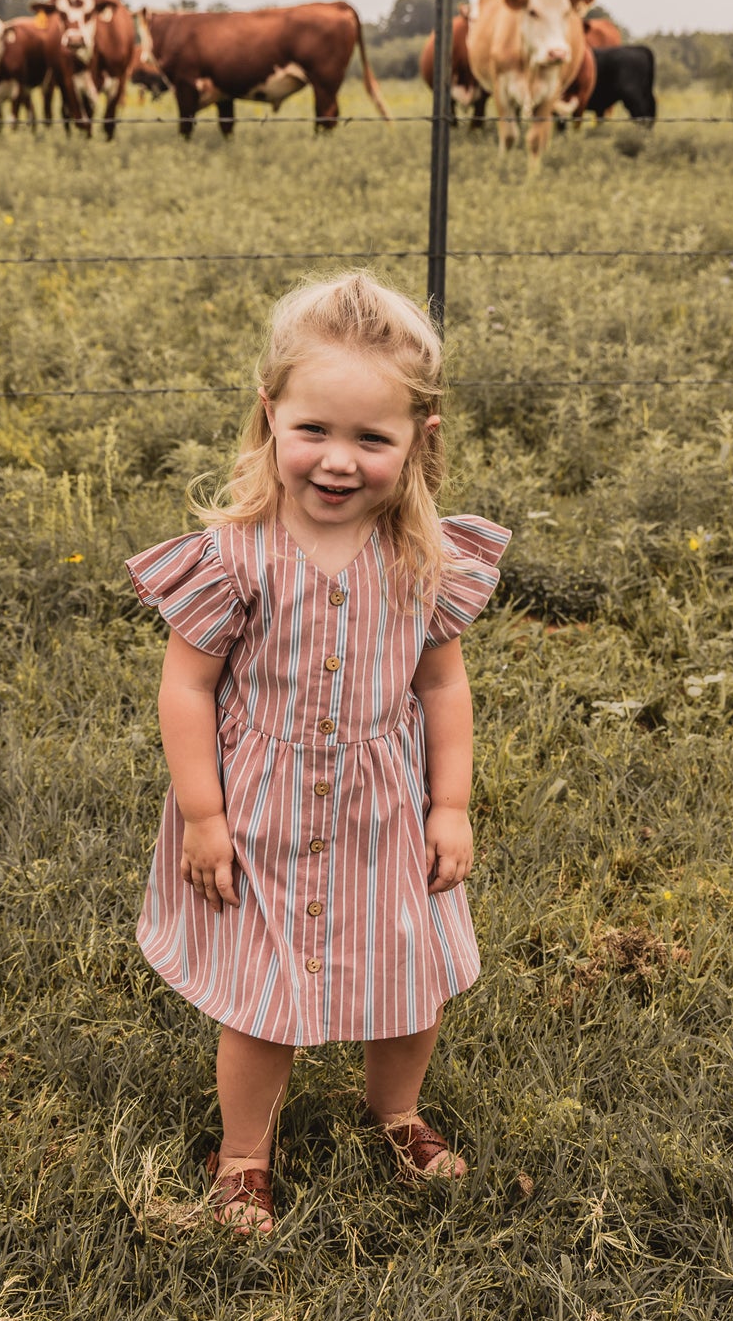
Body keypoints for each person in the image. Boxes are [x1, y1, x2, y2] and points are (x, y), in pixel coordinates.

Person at [125, 271, 511, 1234]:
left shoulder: (423, 554)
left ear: (418, 440)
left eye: (370, 439)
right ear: (269, 416)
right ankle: (244, 1154)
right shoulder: (234, 555)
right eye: (314, 431)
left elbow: (440, 685)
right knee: (263, 995)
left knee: (409, 974)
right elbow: (188, 687)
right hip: (260, 808)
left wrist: (450, 802)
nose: (338, 462)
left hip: (386, 803)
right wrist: (204, 817)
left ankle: (396, 1112)